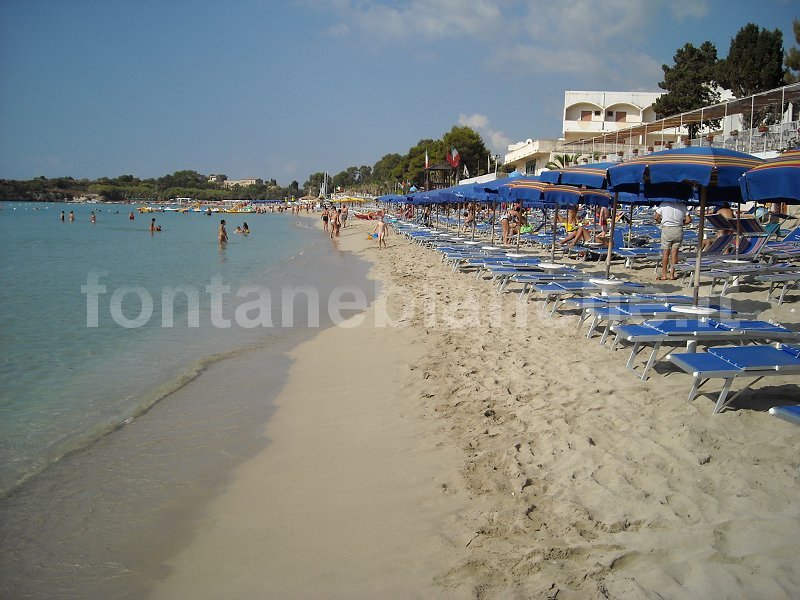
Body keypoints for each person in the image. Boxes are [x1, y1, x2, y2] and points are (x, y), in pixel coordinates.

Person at [654, 201, 691, 280]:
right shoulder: (682, 205)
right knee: (675, 253)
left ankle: (664, 275)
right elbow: (689, 220)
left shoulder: (664, 204)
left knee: (665, 253)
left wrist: (661, 221)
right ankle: (672, 275)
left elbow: (656, 217)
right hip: (678, 229)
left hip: (667, 229)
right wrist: (681, 222)